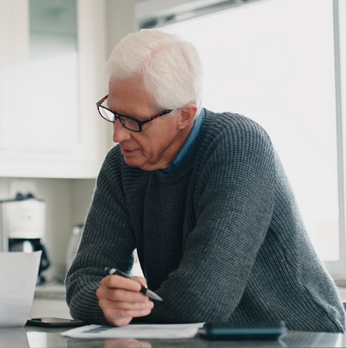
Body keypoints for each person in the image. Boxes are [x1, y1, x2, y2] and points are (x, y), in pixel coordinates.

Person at [65, 29, 345, 332]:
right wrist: (104, 301)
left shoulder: (239, 145)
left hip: (302, 336)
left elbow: (201, 300)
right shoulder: (122, 165)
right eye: (114, 113)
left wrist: (122, 312)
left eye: (134, 121)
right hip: (198, 337)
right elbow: (84, 279)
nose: (118, 135)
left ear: (184, 115)